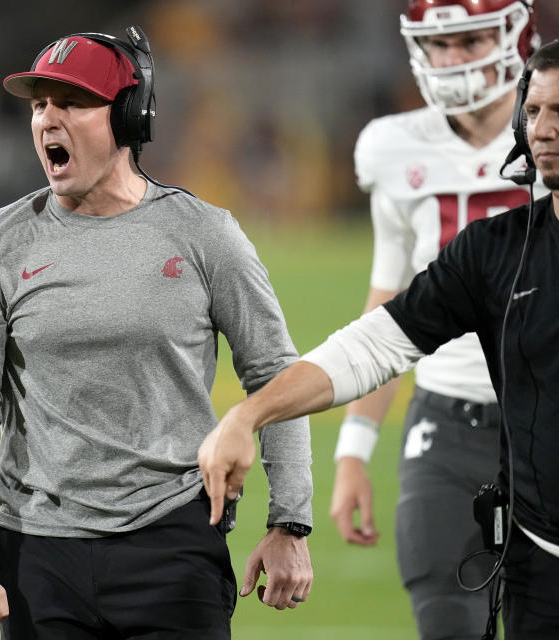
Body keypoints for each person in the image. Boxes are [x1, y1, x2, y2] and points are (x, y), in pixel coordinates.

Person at [0, 27, 313, 638]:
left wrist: (290, 522)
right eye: (39, 105)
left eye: (72, 103)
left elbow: (276, 377)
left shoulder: (205, 235)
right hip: (38, 557)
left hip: (172, 549)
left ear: (130, 116)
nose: (47, 121)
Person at [199, 38, 559, 640]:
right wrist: (250, 413)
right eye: (534, 111)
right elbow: (374, 344)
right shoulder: (496, 250)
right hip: (538, 557)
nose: (542, 130)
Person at [328, 2, 545, 638]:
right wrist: (352, 451)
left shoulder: (551, 129)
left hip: (546, 417)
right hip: (448, 424)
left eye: (470, 39)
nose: (452, 61)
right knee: (446, 621)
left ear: (517, 36)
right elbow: (387, 310)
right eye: (439, 45)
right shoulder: (395, 149)